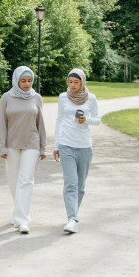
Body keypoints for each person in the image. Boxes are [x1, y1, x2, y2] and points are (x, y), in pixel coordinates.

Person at [0, 66, 46, 234]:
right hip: (11, 144)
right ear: (16, 81)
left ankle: (23, 220)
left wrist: (42, 147)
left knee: (26, 180)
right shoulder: (6, 97)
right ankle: (17, 212)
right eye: (23, 81)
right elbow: (2, 124)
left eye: (30, 81)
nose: (27, 84)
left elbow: (41, 123)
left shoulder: (36, 98)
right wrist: (2, 146)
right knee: (13, 180)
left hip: (31, 143)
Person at [53, 68, 100, 234]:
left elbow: (98, 120)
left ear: (82, 82)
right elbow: (59, 120)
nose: (72, 85)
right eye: (70, 82)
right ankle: (72, 219)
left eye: (76, 82)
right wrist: (56, 145)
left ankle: (73, 215)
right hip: (66, 145)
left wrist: (86, 120)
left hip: (85, 147)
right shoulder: (63, 97)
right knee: (70, 184)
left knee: (80, 186)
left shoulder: (91, 98)